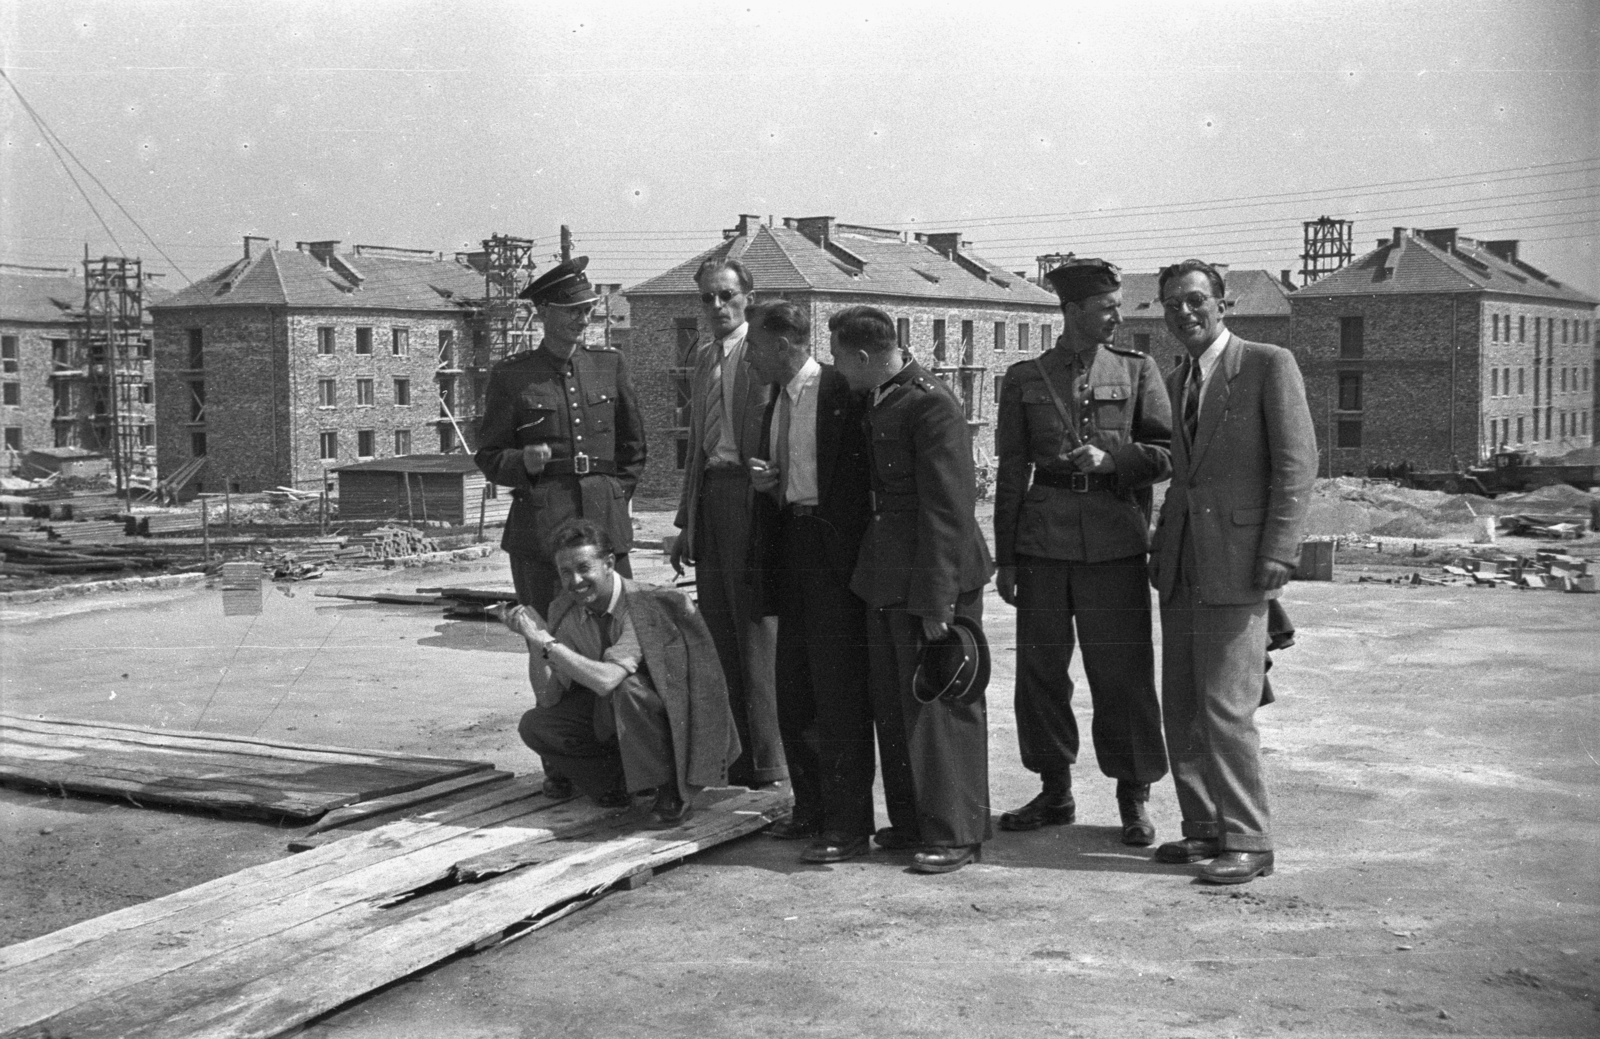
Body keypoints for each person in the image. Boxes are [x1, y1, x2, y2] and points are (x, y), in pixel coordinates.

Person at [1149, 259, 1318, 884]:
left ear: (1223, 304)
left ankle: (1249, 839)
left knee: (1226, 705)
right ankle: (1204, 828)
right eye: (1172, 304)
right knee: (1184, 704)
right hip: (1182, 563)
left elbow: (1298, 464)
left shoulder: (1269, 364)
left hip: (1240, 563)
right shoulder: (1178, 376)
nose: (1184, 312)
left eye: (1196, 300)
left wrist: (1280, 549)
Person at [993, 258, 1173, 846]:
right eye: (1106, 308)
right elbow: (1012, 471)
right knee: (1041, 674)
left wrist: (1114, 460)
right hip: (1042, 546)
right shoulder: (1025, 378)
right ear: (1071, 312)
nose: (1118, 316)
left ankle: (1133, 798)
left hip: (1114, 546)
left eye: (1117, 305)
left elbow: (1165, 454)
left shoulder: (1139, 370)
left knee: (1121, 675)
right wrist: (1009, 557)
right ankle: (1054, 791)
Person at [831, 305, 994, 874]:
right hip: (888, 572)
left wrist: (937, 601)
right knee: (897, 707)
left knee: (940, 706)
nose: (839, 372)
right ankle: (912, 823)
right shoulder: (881, 397)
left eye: (841, 361)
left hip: (930, 576)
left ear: (866, 357)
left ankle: (956, 834)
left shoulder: (932, 404)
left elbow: (949, 510)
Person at [495, 519, 741, 828]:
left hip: (672, 717)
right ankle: (617, 784)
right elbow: (547, 697)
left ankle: (672, 792)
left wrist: (548, 641)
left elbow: (608, 679)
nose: (576, 581)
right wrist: (535, 643)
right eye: (565, 572)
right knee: (536, 724)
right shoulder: (565, 609)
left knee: (629, 689)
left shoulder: (643, 605)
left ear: (609, 563)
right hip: (613, 715)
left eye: (585, 568)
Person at [744, 300, 876, 863]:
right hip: (791, 548)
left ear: (782, 345)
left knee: (838, 694)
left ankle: (847, 825)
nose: (747, 354)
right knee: (794, 688)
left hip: (834, 558)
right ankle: (811, 809)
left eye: (754, 344)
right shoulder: (776, 397)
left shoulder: (840, 391)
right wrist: (771, 481)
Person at [668, 258, 786, 790]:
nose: (716, 307)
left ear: (748, 297)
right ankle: (736, 761)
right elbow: (697, 446)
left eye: (726, 296)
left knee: (757, 630)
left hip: (753, 498)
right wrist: (686, 521)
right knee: (718, 632)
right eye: (707, 299)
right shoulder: (703, 356)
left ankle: (771, 764)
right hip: (712, 496)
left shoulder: (761, 354)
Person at [474, 256, 646, 618]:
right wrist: (522, 462)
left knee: (621, 631)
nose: (581, 319)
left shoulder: (609, 365)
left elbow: (633, 448)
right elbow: (489, 456)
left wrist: (613, 494)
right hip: (542, 532)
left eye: (585, 310)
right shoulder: (512, 376)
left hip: (605, 525)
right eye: (571, 310)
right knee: (550, 634)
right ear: (543, 312)